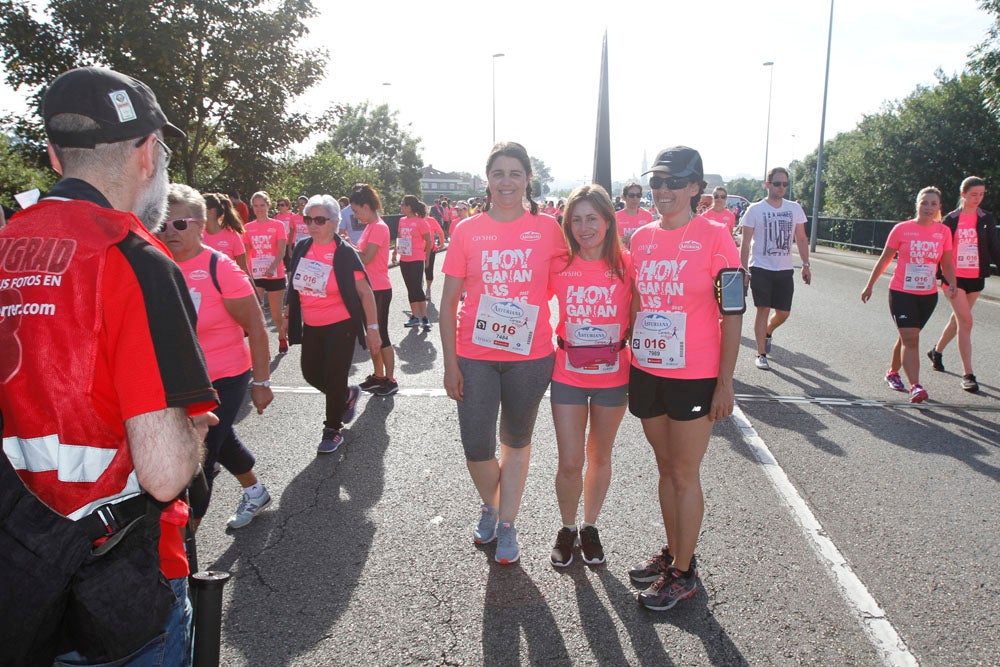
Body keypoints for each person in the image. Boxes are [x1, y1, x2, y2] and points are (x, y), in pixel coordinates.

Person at [0, 66, 217, 666]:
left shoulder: (6, 242)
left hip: (18, 587)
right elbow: (165, 472)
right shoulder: (134, 258)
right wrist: (194, 431)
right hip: (117, 593)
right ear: (149, 153)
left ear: (52, 153)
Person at [625, 147, 742, 611]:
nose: (662, 191)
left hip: (695, 373)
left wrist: (726, 381)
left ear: (695, 187)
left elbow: (732, 313)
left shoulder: (717, 238)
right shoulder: (642, 238)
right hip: (648, 369)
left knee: (684, 471)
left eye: (672, 182)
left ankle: (684, 572)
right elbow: (637, 300)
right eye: (656, 183)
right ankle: (675, 551)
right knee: (664, 467)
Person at [440, 141, 567, 564]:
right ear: (488, 180)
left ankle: (507, 522)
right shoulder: (466, 231)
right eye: (498, 173)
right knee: (476, 444)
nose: (507, 181)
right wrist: (449, 364)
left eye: (515, 173)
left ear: (528, 178)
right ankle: (491, 504)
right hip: (474, 354)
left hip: (529, 357)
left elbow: (566, 282)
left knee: (516, 441)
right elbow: (448, 302)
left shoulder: (548, 229)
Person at [159, 183, 275, 530]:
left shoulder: (219, 267)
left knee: (200, 460)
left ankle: (184, 546)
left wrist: (262, 381)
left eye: (179, 224)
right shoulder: (156, 265)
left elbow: (256, 327)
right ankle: (255, 491)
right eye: (163, 223)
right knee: (221, 442)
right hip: (180, 379)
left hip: (224, 375)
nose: (170, 231)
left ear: (199, 224)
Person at [548, 184, 632, 568]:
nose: (584, 227)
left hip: (614, 375)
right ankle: (566, 527)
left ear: (608, 221)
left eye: (591, 218)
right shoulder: (559, 264)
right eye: (576, 219)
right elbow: (524, 296)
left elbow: (646, 312)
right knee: (569, 461)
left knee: (599, 456)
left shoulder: (628, 265)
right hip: (567, 373)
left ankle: (590, 526)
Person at [285, 195, 382, 452]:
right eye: (308, 219)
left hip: (342, 324)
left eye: (319, 220)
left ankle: (332, 429)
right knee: (310, 373)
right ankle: (346, 395)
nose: (312, 225)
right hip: (312, 323)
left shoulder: (345, 253)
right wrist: (287, 316)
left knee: (335, 375)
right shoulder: (302, 247)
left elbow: (365, 292)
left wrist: (373, 329)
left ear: (334, 222)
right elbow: (293, 285)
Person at [862, 187, 957, 403]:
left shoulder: (943, 232)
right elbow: (885, 259)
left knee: (907, 337)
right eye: (925, 203)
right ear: (917, 205)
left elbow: (947, 263)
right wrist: (869, 285)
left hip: (928, 295)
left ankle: (892, 372)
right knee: (911, 338)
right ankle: (916, 386)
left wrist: (952, 283)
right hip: (901, 292)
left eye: (934, 204)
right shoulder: (902, 229)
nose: (929, 208)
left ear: (939, 207)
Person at [927, 176, 1000, 392]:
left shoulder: (986, 218)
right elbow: (940, 251)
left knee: (957, 320)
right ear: (963, 195)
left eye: (981, 194)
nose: (978, 198)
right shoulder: (950, 220)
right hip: (954, 278)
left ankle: (936, 352)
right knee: (966, 322)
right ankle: (968, 374)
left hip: (976, 277)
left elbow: (995, 248)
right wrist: (939, 276)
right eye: (973, 194)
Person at [739, 167, 812, 371]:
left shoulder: (794, 208)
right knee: (763, 309)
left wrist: (806, 265)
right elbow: (745, 243)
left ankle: (769, 331)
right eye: (777, 183)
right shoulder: (755, 209)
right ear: (768, 184)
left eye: (785, 184)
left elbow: (801, 238)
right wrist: (744, 270)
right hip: (760, 267)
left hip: (784, 269)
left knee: (784, 313)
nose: (781, 188)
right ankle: (761, 353)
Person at [351, 184, 398, 396]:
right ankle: (379, 376)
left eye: (356, 210)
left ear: (367, 206)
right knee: (373, 335)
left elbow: (366, 258)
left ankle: (390, 379)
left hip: (378, 288)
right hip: (368, 288)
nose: (355, 215)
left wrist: (346, 248)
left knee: (381, 335)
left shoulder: (379, 226)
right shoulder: (370, 225)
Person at [244, 190, 289, 353]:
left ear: (268, 205)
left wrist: (272, 267)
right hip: (257, 274)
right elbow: (247, 251)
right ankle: (264, 348)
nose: (259, 209)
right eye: (255, 206)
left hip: (275, 273)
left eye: (262, 205)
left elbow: (282, 250)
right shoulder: (248, 227)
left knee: (276, 314)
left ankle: (282, 336)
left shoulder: (278, 225)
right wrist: (247, 271)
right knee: (258, 312)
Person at [393, 195, 433, 331]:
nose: (401, 206)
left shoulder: (421, 222)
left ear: (410, 207)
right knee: (410, 288)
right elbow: (399, 237)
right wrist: (395, 253)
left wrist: (427, 258)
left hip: (417, 258)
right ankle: (414, 317)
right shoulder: (401, 220)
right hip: (404, 259)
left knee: (417, 288)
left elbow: (428, 241)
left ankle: (425, 318)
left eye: (403, 204)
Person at [203, 192, 249, 275]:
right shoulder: (196, 236)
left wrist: (252, 288)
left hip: (229, 286)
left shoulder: (232, 235)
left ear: (211, 211)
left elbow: (243, 269)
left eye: (199, 209)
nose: (195, 214)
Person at [615, 181, 653, 248]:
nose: (635, 198)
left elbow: (652, 239)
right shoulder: (616, 216)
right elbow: (610, 242)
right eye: (631, 195)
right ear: (623, 197)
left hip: (643, 255)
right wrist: (628, 238)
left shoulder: (647, 216)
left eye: (638, 195)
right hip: (623, 255)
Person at [424, 206, 447, 300]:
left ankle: (428, 289)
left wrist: (441, 244)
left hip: (431, 249)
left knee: (429, 271)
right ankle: (420, 290)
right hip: (417, 250)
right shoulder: (415, 220)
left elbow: (440, 232)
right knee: (418, 272)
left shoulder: (431, 220)